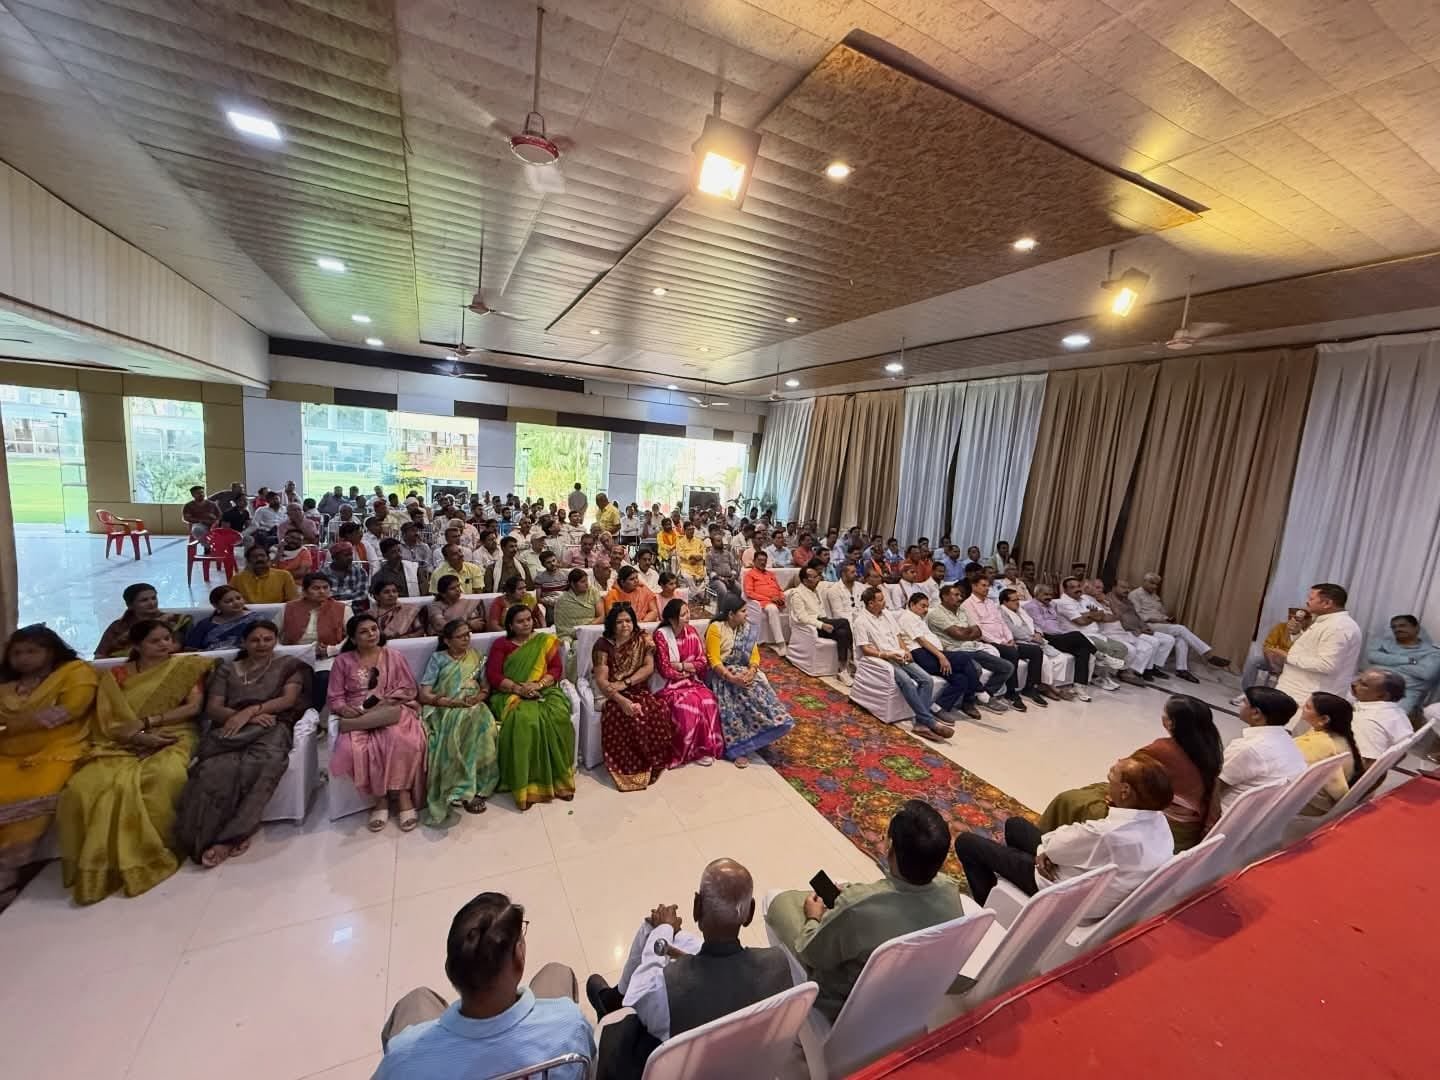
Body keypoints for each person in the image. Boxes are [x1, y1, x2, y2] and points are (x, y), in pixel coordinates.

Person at [590, 859, 793, 1078]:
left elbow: (637, 995)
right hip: (743, 1067)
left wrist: (664, 929)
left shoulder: (662, 992)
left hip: (682, 1068)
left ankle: (612, 1000)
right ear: (750, 913)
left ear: (697, 908)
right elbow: (723, 983)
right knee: (670, 937)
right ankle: (612, 997)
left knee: (651, 929)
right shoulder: (779, 965)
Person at [765, 800, 963, 1021]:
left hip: (845, 1004)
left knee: (777, 900)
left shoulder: (857, 906)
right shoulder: (950, 890)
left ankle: (791, 1000)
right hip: (909, 995)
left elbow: (811, 954)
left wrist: (813, 918)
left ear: (890, 848)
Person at [57, 621, 210, 904]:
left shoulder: (186, 667)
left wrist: (149, 723)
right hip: (122, 738)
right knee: (83, 787)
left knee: (164, 776)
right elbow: (108, 718)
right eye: (155, 641)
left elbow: (193, 707)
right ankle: (103, 863)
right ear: (137, 646)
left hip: (173, 734)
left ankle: (159, 850)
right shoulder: (116, 675)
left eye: (167, 639)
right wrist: (137, 736)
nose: (164, 645)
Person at [376, 892, 593, 1080]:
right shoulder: (569, 1024)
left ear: (450, 969)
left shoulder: (402, 1059)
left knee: (416, 1000)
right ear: (518, 957)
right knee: (557, 972)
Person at [954, 755, 1174, 917]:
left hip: (1060, 890)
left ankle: (989, 910)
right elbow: (1059, 847)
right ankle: (1012, 879)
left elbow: (1056, 845)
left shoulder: (1107, 833)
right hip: (1095, 889)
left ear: (1125, 791)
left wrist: (1046, 852)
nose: (1108, 783)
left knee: (967, 843)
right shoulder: (1160, 823)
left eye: (1111, 777)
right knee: (1015, 825)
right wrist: (1048, 852)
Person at [173, 620, 310, 868]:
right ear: (244, 642)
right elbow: (214, 708)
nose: (262, 644)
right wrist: (241, 717)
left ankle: (232, 836)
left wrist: (251, 712)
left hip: (272, 725)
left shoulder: (288, 665)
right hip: (230, 727)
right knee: (213, 770)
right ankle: (204, 834)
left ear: (276, 640)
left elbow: (288, 700)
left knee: (264, 762)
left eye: (268, 639)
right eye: (255, 640)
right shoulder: (227, 670)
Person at [1039, 695, 1223, 851]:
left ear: (1171, 723)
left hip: (1162, 824)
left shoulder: (1163, 749)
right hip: (1189, 830)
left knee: (1071, 800)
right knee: (1097, 788)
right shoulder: (1211, 751)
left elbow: (1125, 772)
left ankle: (1044, 846)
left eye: (1165, 715)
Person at [0, 626, 97, 899]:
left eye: (32, 651)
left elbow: (69, 711)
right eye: (17, 653)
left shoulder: (75, 672)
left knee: (31, 791)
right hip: (6, 753)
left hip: (59, 748)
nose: (23, 658)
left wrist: (12, 725)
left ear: (51, 651)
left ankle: (9, 870)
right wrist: (22, 724)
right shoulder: (5, 684)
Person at [328, 613, 426, 833]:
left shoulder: (394, 656)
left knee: (404, 740)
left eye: (374, 629)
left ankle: (403, 795)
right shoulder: (343, 661)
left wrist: (387, 699)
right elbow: (335, 697)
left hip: (390, 709)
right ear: (353, 638)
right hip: (358, 713)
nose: (371, 634)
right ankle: (380, 799)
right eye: (363, 632)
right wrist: (344, 709)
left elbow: (408, 688)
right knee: (352, 748)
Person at [486, 604, 576, 810]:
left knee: (557, 716)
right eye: (520, 621)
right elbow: (493, 675)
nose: (526, 624)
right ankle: (526, 785)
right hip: (509, 693)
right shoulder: (501, 644)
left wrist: (538, 685)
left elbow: (556, 668)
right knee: (525, 722)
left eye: (528, 619)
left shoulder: (544, 640)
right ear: (510, 625)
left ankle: (559, 779)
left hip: (544, 690)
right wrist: (519, 689)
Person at [418, 620, 499, 825]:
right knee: (461, 723)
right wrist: (450, 702)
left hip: (474, 706)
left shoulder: (477, 656)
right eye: (461, 636)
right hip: (445, 708)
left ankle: (476, 786)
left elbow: (485, 688)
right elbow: (424, 694)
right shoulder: (438, 659)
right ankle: (459, 788)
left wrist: (477, 698)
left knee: (482, 725)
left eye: (468, 634)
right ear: (447, 641)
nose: (466, 639)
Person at [703, 594, 793, 767]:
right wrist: (731, 678)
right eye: (743, 611)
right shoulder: (716, 628)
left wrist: (752, 670)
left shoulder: (747, 628)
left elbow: (754, 655)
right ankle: (740, 748)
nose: (747, 614)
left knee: (759, 691)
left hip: (743, 672)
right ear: (731, 614)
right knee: (736, 700)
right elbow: (714, 660)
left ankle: (764, 733)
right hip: (722, 675)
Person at [593, 603, 675, 792]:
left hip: (636, 688)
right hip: (612, 693)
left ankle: (648, 761)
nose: (625, 625)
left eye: (628, 621)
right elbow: (601, 680)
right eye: (619, 622)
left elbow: (648, 667)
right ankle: (627, 768)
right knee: (620, 716)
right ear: (612, 624)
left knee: (655, 710)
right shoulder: (602, 645)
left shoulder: (643, 639)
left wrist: (626, 683)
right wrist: (622, 701)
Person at [653, 599, 725, 769]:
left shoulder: (691, 632)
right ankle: (689, 751)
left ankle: (705, 748)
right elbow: (665, 669)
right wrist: (685, 672)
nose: (688, 616)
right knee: (687, 705)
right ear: (672, 619)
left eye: (688, 612)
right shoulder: (661, 635)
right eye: (683, 614)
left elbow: (702, 661)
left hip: (691, 680)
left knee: (708, 699)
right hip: (668, 684)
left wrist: (683, 667)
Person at [1212, 687, 1306, 817]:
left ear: (1256, 713)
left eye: (1244, 701)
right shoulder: (1287, 741)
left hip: (1225, 814)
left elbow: (1214, 787)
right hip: (1257, 817)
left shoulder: (1248, 748)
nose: (1239, 704)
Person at [891, 592, 979, 725]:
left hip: (931, 653)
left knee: (961, 679)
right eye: (922, 606)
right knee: (964, 657)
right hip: (922, 655)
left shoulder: (918, 619)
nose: (926, 609)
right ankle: (979, 689)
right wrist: (941, 656)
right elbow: (921, 641)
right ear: (912, 604)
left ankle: (937, 707)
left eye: (927, 606)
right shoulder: (908, 618)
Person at [963, 577, 1049, 710]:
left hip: (1005, 640)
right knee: (1011, 652)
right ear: (974, 586)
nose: (987, 588)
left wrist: (1009, 638)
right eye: (983, 585)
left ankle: (1030, 688)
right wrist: (1001, 642)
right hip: (988, 641)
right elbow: (978, 630)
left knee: (1036, 651)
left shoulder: (990, 603)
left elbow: (1001, 622)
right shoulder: (968, 604)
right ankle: (1011, 692)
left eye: (988, 586)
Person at [1128, 573, 1230, 680]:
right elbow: (1137, 615)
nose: (1154, 586)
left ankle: (1181, 669)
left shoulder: (1154, 596)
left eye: (1156, 584)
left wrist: (1167, 619)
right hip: (1147, 624)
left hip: (1160, 623)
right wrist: (1158, 620)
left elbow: (1159, 612)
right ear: (1144, 581)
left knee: (1181, 638)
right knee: (1181, 629)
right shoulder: (1135, 594)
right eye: (1152, 583)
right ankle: (1207, 654)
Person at [926, 583, 1013, 710]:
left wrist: (964, 632)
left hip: (974, 648)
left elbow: (978, 631)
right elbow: (958, 634)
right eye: (956, 595)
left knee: (1007, 667)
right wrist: (967, 632)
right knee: (975, 669)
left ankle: (986, 696)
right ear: (944, 597)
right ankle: (968, 702)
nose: (960, 598)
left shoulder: (962, 610)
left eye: (960, 595)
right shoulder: (936, 614)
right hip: (955, 651)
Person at [1274, 583, 1363, 703]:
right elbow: (1311, 649)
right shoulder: (1326, 621)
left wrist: (1287, 657)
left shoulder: (1339, 627)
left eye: (1311, 599)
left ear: (1327, 603)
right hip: (1296, 690)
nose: (1307, 602)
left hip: (1309, 697)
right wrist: (1296, 633)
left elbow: (1326, 665)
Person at [1052, 577, 1133, 688]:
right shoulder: (1063, 602)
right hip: (1081, 636)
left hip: (1096, 634)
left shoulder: (1085, 599)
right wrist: (1092, 615)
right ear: (1065, 590)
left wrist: (1088, 615)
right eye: (1072, 587)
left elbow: (1102, 616)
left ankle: (1101, 676)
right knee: (1106, 648)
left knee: (1122, 648)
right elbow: (1080, 622)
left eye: (1078, 586)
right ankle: (1101, 677)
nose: (1077, 589)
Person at [998, 587, 1075, 700]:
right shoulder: (1002, 613)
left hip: (1036, 639)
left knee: (1061, 658)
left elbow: (1033, 623)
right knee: (1045, 661)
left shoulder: (1020, 610)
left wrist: (1038, 632)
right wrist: (1031, 638)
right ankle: (1051, 688)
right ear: (1005, 602)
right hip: (1022, 641)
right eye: (1014, 600)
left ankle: (1047, 686)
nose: (1017, 602)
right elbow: (1013, 631)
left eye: (1018, 599)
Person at [1293, 692, 1363, 815]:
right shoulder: (1340, 736)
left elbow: (1292, 771)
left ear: (1324, 719)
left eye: (1308, 707)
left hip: (1313, 802)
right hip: (1325, 797)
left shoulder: (1320, 744)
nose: (1302, 707)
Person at [789, 563, 855, 685]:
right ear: (805, 580)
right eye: (814, 577)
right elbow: (801, 617)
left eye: (818, 576)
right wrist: (821, 625)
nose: (818, 579)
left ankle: (842, 669)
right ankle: (854, 657)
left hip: (824, 621)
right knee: (844, 622)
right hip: (814, 626)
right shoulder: (797, 594)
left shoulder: (816, 588)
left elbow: (832, 584)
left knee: (842, 633)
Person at [1232, 606, 1312, 705]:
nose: (1293, 621)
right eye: (1292, 618)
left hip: (1292, 665)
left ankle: (1267, 701)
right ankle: (1247, 693)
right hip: (1274, 660)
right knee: (1253, 661)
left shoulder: (1308, 635)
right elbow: (1267, 646)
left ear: (1305, 621)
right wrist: (1273, 662)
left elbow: (1302, 655)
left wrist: (1283, 655)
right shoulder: (1281, 627)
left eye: (1298, 620)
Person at [1366, 614, 1440, 716]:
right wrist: (1409, 660)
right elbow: (1372, 657)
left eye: (1402, 625)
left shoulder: (1432, 651)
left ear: (1416, 628)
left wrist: (1385, 664)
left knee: (1390, 718)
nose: (1397, 629)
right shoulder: (1384, 643)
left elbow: (1426, 673)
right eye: (1394, 627)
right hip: (1372, 685)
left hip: (1406, 692)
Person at [94, 583, 193, 659]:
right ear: (130, 605)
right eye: (144, 600)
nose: (151, 603)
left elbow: (175, 646)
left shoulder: (175, 620)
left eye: (153, 598)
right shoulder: (118, 626)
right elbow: (100, 656)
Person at [1349, 668, 1415, 766]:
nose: (1354, 684)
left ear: (1383, 696)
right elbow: (1402, 755)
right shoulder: (1397, 712)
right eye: (1358, 679)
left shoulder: (1367, 721)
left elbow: (1368, 765)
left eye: (1364, 684)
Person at [185, 584, 263, 651]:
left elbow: (265, 642)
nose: (236, 603)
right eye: (229, 601)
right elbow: (189, 649)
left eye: (238, 598)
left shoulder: (256, 619)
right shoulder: (204, 625)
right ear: (216, 605)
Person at [741, 549, 788, 656]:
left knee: (793, 596)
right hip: (762, 603)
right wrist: (770, 598)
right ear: (754, 561)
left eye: (764, 560)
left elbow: (779, 589)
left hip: (778, 601)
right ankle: (781, 643)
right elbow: (749, 593)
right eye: (760, 560)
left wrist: (781, 597)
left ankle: (795, 640)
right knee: (772, 608)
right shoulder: (750, 574)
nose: (762, 562)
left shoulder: (770, 574)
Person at [230, 544, 301, 604]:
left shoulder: (284, 575)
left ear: (268, 558)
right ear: (248, 561)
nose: (259, 559)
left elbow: (293, 601)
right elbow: (229, 600)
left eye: (262, 556)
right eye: (254, 557)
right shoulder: (237, 579)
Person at [554, 568, 604, 651]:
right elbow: (562, 628)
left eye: (587, 580)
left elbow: (601, 617)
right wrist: (578, 632)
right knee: (574, 646)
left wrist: (586, 629)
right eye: (582, 582)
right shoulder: (563, 600)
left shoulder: (593, 592)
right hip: (571, 634)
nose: (587, 584)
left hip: (592, 630)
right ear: (572, 584)